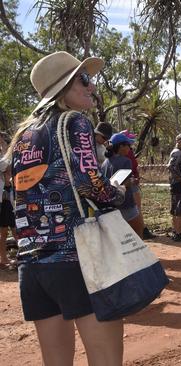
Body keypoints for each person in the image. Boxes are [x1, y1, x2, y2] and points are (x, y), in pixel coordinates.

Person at [8, 51, 126, 365]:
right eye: (83, 79)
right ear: (62, 87)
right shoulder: (74, 121)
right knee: (106, 358)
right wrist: (118, 192)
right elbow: (91, 185)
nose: (92, 85)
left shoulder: (24, 135)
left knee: (56, 360)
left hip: (33, 263)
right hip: (78, 258)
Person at [101, 132, 145, 238]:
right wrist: (132, 181)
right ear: (121, 146)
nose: (129, 149)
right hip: (126, 203)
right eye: (128, 146)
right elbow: (125, 183)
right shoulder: (126, 161)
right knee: (138, 233)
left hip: (111, 204)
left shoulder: (104, 163)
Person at [0, 134, 16, 271]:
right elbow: (3, 165)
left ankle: (6, 258)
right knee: (6, 230)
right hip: (4, 197)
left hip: (10, 194)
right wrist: (5, 147)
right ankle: (4, 258)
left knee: (12, 229)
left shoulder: (12, 156)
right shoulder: (4, 158)